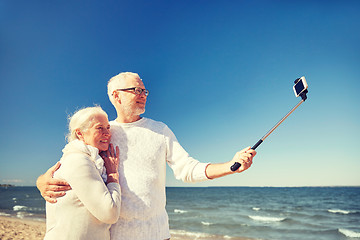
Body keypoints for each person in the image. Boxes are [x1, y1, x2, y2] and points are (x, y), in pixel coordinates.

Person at [37, 72, 256, 240]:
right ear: (116, 96)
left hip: (157, 234)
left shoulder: (160, 130)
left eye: (144, 91)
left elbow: (188, 169)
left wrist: (231, 165)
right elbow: (71, 163)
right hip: (116, 235)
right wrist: (41, 181)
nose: (143, 95)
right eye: (136, 90)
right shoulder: (103, 133)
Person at [43, 106, 122, 240]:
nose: (107, 133)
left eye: (108, 127)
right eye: (99, 128)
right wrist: (112, 175)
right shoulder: (78, 161)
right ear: (80, 133)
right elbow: (110, 213)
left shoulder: (89, 160)